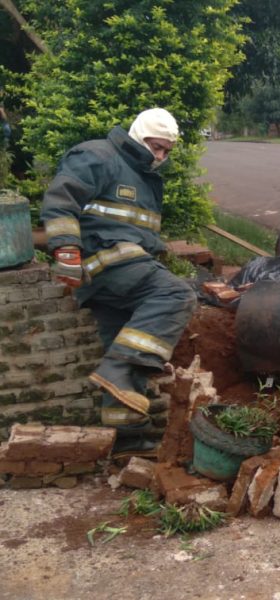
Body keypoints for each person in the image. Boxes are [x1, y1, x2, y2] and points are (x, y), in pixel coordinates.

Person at [41, 108, 197, 456]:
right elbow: (60, 200)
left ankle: (128, 440)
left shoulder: (145, 177)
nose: (161, 157)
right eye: (157, 147)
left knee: (123, 345)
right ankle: (116, 368)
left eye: (167, 151)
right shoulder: (98, 155)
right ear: (140, 135)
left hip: (120, 272)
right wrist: (65, 250)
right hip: (108, 261)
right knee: (176, 294)